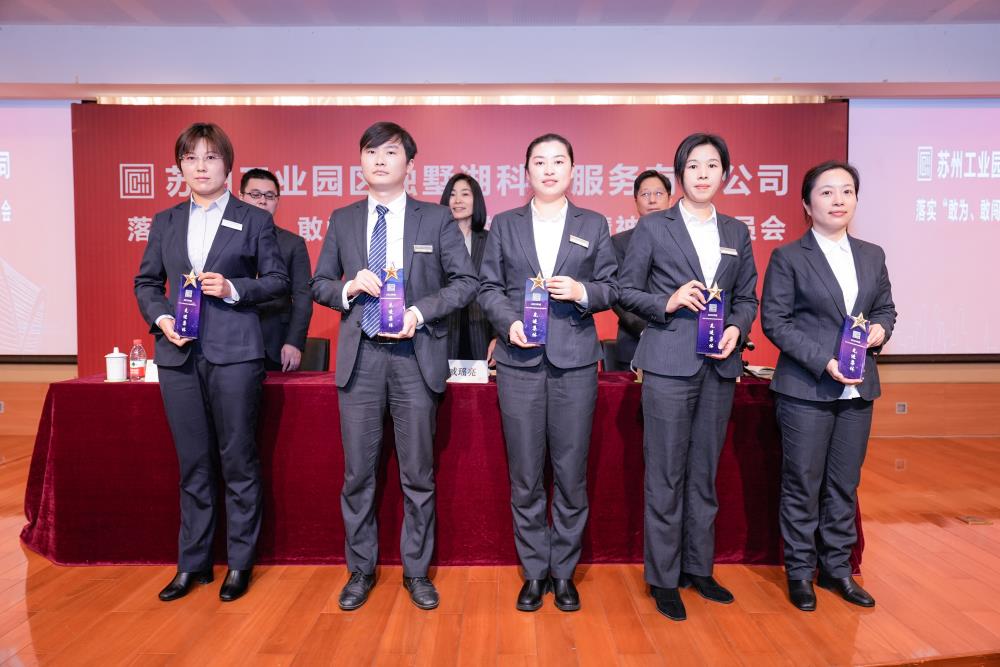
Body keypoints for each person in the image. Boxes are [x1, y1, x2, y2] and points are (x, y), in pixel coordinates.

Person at [311, 122, 478, 611]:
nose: (379, 160)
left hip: (415, 356)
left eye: (390, 152)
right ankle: (360, 571)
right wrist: (348, 288)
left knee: (418, 474)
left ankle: (417, 572)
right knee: (357, 476)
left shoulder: (436, 218)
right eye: (370, 151)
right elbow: (319, 283)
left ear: (410, 163)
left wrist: (418, 312)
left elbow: (465, 282)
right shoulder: (343, 219)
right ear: (360, 161)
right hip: (361, 357)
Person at [134, 122, 288, 602]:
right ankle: (193, 563)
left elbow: (278, 281)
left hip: (236, 354)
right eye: (191, 158)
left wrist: (235, 287)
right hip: (179, 354)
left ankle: (239, 564)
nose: (200, 166)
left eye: (211, 157)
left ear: (228, 165)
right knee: (193, 463)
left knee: (238, 460)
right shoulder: (165, 221)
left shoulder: (253, 219)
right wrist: (162, 320)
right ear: (180, 166)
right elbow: (147, 282)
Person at [619, 133, 758, 622]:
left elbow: (748, 297)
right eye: (693, 166)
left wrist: (738, 328)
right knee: (665, 474)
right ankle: (663, 577)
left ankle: (699, 567)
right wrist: (668, 301)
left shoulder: (737, 232)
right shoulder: (654, 226)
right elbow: (625, 289)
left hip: (718, 365)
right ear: (680, 174)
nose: (702, 174)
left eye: (712, 165)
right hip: (667, 363)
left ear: (725, 174)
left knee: (704, 473)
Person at [478, 133, 618, 613]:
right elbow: (488, 287)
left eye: (559, 161)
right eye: (540, 161)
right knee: (525, 474)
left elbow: (612, 286)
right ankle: (535, 571)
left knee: (571, 474)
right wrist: (508, 322)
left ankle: (564, 573)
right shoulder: (505, 224)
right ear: (527, 171)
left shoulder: (593, 223)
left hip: (574, 363)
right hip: (519, 362)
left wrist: (582, 292)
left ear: (573, 170)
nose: (550, 169)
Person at [761, 160, 896, 612]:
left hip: (858, 390)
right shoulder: (788, 257)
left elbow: (886, 308)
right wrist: (825, 362)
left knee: (844, 483)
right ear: (807, 204)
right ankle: (800, 572)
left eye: (847, 191)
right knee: (803, 482)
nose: (838, 200)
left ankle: (837, 569)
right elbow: (775, 322)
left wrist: (880, 329)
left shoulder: (872, 255)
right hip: (806, 389)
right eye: (826, 192)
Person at [239, 168, 313, 371]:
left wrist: (294, 342)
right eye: (255, 194)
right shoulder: (224, 240)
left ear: (277, 201)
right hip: (231, 339)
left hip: (276, 343)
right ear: (241, 197)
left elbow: (303, 296)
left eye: (269, 196)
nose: (262, 201)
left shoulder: (292, 243)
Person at [611, 169, 673, 369]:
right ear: (636, 201)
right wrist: (643, 329)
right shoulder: (619, 242)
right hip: (633, 342)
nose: (652, 200)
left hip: (680, 343)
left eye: (659, 193)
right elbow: (617, 293)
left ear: (670, 199)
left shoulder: (684, 242)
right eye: (645, 194)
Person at [439, 173, 494, 360]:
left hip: (482, 330)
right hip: (443, 331)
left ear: (476, 200)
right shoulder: (434, 240)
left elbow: (499, 290)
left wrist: (498, 336)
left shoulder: (490, 240)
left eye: (465, 194)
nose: (457, 201)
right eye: (452, 194)